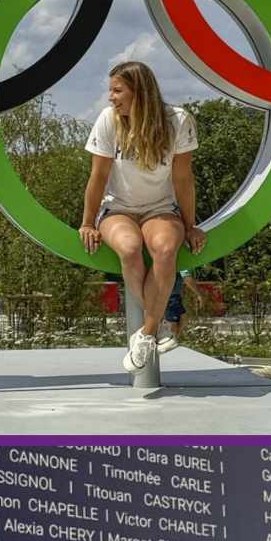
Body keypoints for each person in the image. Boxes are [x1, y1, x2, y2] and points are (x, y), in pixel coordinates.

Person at [80, 61, 204, 372]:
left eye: (117, 90)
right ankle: (162, 324)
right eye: (111, 90)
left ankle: (148, 334)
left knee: (164, 248)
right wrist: (87, 221)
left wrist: (190, 225)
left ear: (140, 92)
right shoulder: (109, 121)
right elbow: (97, 177)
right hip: (117, 208)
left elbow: (183, 179)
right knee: (130, 247)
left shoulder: (177, 120)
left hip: (160, 207)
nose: (111, 97)